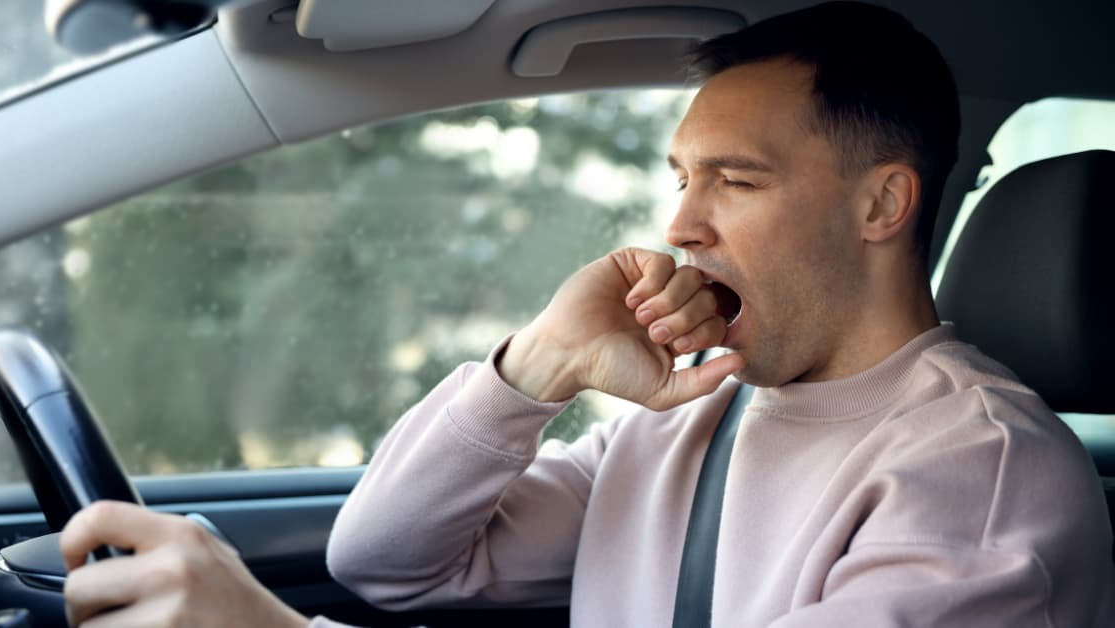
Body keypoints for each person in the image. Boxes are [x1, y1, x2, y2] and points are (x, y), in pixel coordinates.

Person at [59, 2, 1114, 627]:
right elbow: (384, 559)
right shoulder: (689, 411)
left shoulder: (982, 478)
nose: (681, 224)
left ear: (881, 204)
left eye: (735, 182)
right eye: (681, 177)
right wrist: (536, 369)